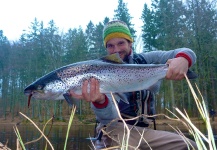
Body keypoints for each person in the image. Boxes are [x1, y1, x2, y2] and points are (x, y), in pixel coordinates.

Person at [70, 20, 197, 149]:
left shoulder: (146, 60)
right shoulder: (98, 72)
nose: (116, 50)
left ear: (130, 42)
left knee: (191, 146)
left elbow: (186, 51)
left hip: (146, 131)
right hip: (115, 129)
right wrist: (100, 101)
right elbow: (109, 119)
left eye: (121, 43)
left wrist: (183, 59)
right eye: (110, 46)